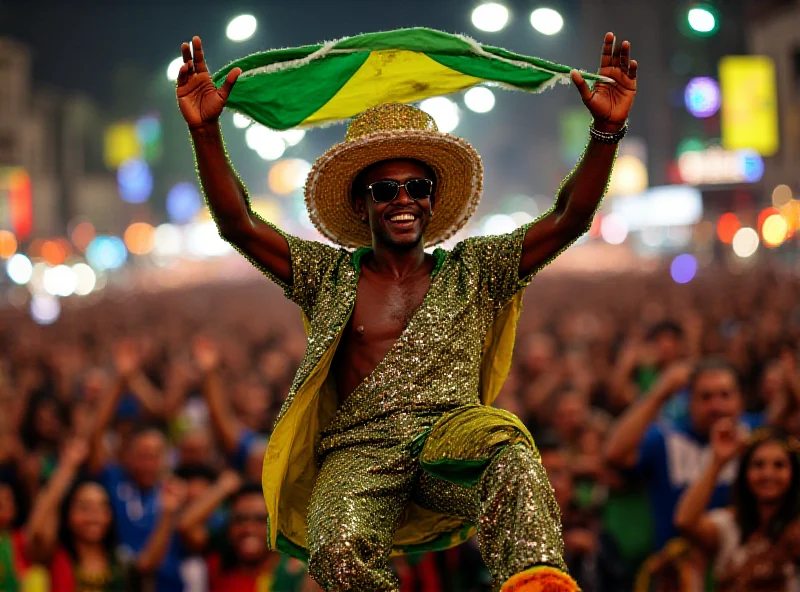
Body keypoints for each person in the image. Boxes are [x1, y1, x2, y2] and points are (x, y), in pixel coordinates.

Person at [176, 30, 637, 591]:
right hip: (359, 455)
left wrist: (606, 131)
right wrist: (204, 132)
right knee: (336, 551)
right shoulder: (328, 275)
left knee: (509, 452)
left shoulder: (477, 269)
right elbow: (239, 225)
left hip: (451, 437)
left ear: (433, 198)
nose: (403, 200)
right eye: (385, 190)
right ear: (359, 202)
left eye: (416, 186)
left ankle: (535, 585)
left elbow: (569, 217)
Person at [605, 358, 762, 549]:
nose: (716, 406)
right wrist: (659, 394)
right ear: (689, 402)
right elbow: (615, 454)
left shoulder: (756, 435)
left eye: (725, 395)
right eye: (706, 397)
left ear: (741, 399)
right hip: (675, 566)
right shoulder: (667, 438)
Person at [675, 423, 800, 591]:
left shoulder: (796, 528)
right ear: (744, 473)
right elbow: (685, 522)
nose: (768, 474)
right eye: (758, 465)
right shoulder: (729, 525)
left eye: (779, 465)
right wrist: (718, 461)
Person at [177, 479, 317, 591]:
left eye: (260, 520)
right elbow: (185, 526)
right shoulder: (218, 566)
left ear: (277, 528)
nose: (249, 528)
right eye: (240, 519)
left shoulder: (295, 572)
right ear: (229, 527)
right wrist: (224, 486)